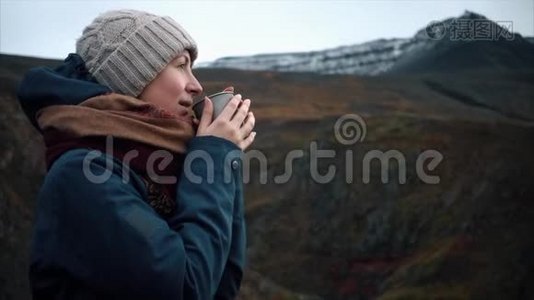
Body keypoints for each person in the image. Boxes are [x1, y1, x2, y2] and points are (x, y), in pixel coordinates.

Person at [17, 9, 256, 299]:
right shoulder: (84, 174)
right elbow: (185, 289)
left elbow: (221, 285)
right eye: (181, 65)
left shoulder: (158, 167)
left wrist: (222, 156)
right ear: (132, 76)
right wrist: (213, 160)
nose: (196, 85)